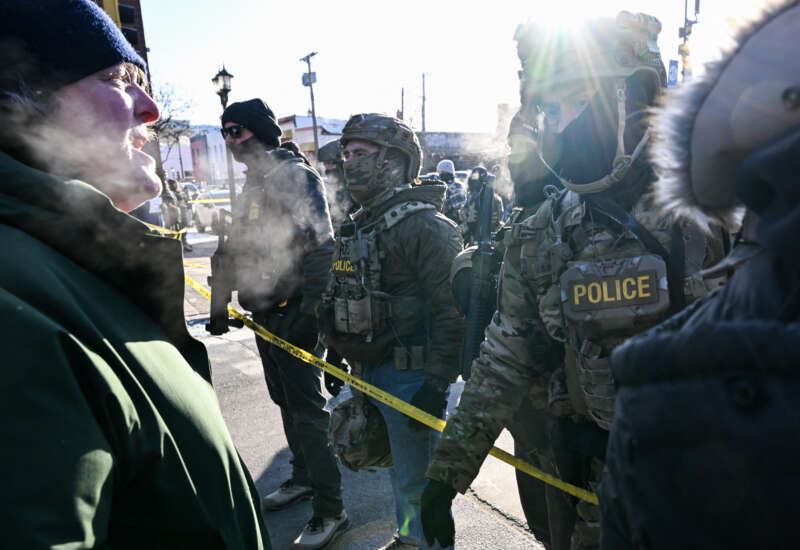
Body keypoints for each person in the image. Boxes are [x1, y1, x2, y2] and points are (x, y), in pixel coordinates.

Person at [421, 12, 726, 550]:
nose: (558, 126)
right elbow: (506, 355)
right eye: (548, 109)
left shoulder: (717, 209)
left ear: (634, 99)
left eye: (576, 101)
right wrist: (447, 474)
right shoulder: (545, 229)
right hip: (594, 494)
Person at [0, 1, 269, 548]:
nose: (150, 109)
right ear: (19, 107)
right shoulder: (14, 309)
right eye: (117, 79)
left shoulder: (65, 266)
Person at [600, 3, 800, 548]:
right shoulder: (549, 219)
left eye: (607, 97)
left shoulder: (695, 234)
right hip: (567, 438)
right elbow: (507, 347)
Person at [320, 113, 464, 550]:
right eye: (346, 154)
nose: (349, 163)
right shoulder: (359, 223)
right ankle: (409, 537)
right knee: (396, 472)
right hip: (368, 370)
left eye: (360, 153)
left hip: (411, 377)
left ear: (396, 160)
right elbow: (344, 291)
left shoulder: (426, 226)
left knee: (419, 479)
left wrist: (437, 384)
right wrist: (334, 354)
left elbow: (451, 314)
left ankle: (424, 543)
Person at [217, 98, 347, 550]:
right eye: (226, 133)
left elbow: (322, 246)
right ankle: (303, 476)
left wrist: (309, 312)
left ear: (261, 131)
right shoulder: (253, 184)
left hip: (295, 313)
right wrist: (220, 298)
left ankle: (331, 509)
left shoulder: (293, 175)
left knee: (308, 413)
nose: (232, 141)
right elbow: (235, 246)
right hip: (265, 314)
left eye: (239, 131)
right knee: (285, 402)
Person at [458, 166, 503, 245]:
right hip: (478, 239)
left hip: (483, 240)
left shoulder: (492, 199)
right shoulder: (472, 198)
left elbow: (497, 222)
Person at [437, 159, 466, 223]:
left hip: (455, 222)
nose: (440, 175)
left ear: (447, 172)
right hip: (445, 221)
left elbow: (460, 206)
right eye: (439, 173)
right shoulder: (444, 185)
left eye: (441, 172)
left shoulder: (456, 186)